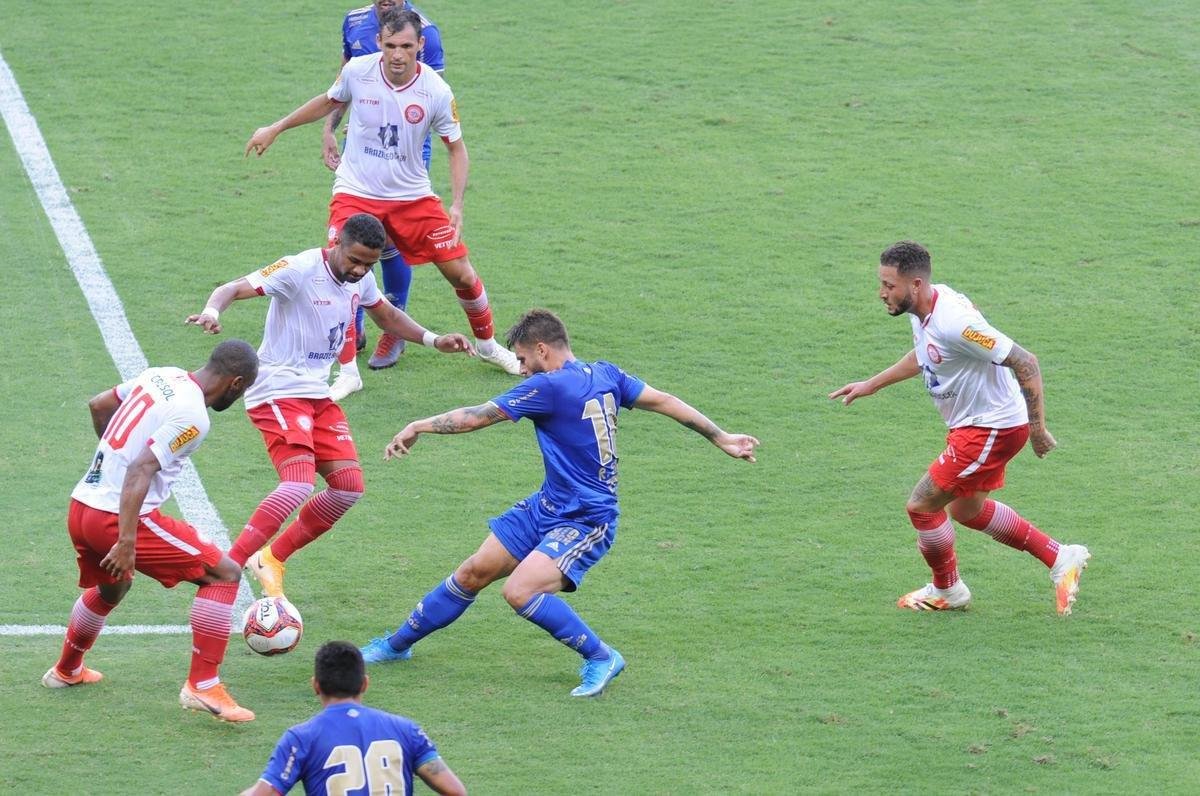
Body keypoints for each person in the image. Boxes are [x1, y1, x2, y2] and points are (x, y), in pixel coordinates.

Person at [359, 309, 760, 697]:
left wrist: (418, 425)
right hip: (547, 506)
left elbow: (479, 416)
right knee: (473, 572)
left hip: (586, 519)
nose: (522, 369)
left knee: (520, 591)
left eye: (523, 359)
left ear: (542, 349)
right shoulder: (606, 373)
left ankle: (602, 657)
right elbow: (665, 400)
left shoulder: (549, 387)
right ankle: (396, 645)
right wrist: (721, 436)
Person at [186, 213, 473, 610]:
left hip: (317, 394)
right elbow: (232, 288)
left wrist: (434, 339)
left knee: (348, 488)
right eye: (354, 260)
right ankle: (228, 569)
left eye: (369, 264)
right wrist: (212, 312)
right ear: (337, 243)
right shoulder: (299, 269)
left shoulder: (361, 277)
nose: (360, 271)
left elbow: (386, 315)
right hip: (277, 390)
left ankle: (270, 559)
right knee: (298, 484)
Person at [246, 7, 521, 402]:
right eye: (390, 45)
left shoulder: (436, 91)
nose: (397, 54)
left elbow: (456, 149)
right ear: (379, 42)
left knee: (461, 274)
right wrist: (276, 128)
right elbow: (327, 101)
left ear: (420, 45)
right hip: (356, 191)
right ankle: (347, 372)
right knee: (340, 270)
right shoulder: (358, 71)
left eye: (406, 46)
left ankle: (489, 346)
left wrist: (457, 205)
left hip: (412, 196)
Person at [829, 241, 1090, 614]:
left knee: (922, 506)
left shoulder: (956, 324)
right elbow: (926, 354)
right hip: (978, 426)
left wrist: (1038, 429)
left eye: (889, 285)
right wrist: (872, 384)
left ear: (916, 284)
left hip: (990, 429)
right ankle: (1061, 557)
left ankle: (948, 590)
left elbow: (1025, 362)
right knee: (967, 511)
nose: (882, 293)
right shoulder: (923, 309)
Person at [43, 340, 262, 723]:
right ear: (236, 383)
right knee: (224, 574)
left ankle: (66, 670)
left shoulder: (162, 375)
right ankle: (203, 684)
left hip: (81, 506)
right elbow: (140, 468)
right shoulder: (194, 416)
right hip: (115, 519)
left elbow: (99, 404)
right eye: (243, 391)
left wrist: (113, 465)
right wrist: (126, 540)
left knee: (114, 588)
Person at [323, 0, 446, 377]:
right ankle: (354, 324)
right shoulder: (354, 21)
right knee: (352, 234)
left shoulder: (426, 32)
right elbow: (344, 82)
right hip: (362, 145)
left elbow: (427, 92)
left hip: (406, 150)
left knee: (390, 238)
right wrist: (329, 128)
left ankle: (395, 328)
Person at [240, 641, 466, 796]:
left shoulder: (301, 738)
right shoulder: (407, 730)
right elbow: (455, 791)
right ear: (365, 683)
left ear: (315, 686)